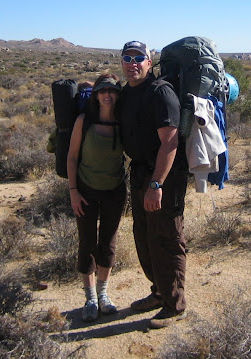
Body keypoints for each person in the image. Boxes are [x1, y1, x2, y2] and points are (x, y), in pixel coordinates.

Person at [118, 41, 189, 329]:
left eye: (139, 58)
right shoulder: (126, 93)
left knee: (166, 237)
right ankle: (159, 292)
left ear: (150, 63)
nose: (133, 63)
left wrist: (156, 184)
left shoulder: (160, 92)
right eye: (127, 58)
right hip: (139, 172)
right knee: (144, 235)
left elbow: (170, 142)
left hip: (164, 176)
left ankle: (175, 305)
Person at [67, 73, 126, 322]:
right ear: (96, 94)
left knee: (108, 242)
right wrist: (73, 192)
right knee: (87, 243)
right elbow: (71, 157)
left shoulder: (124, 122)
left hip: (115, 189)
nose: (107, 95)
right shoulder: (84, 121)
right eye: (103, 91)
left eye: (112, 91)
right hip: (86, 189)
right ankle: (90, 298)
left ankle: (103, 295)